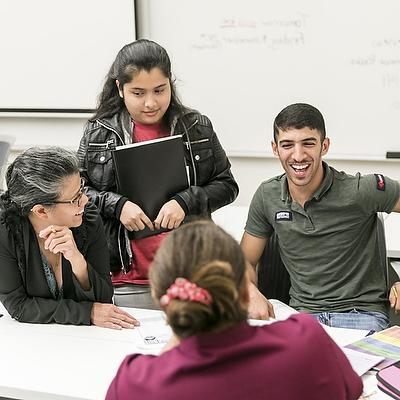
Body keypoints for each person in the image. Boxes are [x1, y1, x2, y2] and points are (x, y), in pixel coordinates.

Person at [106, 221, 362, 400]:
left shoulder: (138, 384)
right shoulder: (307, 341)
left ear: (160, 297)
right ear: (245, 287)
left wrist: (181, 328)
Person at [77, 39, 238, 309]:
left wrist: (185, 202)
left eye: (160, 90)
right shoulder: (99, 132)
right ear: (120, 88)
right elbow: (78, 192)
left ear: (170, 84)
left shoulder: (196, 126)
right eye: (138, 93)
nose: (150, 103)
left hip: (191, 273)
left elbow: (227, 186)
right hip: (126, 278)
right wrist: (118, 206)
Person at [241, 103, 400, 331]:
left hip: (361, 315)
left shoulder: (361, 189)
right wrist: (249, 290)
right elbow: (245, 260)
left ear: (324, 146)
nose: (298, 155)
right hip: (303, 316)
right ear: (275, 149)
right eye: (287, 145)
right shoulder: (267, 195)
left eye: (308, 143)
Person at [0, 147, 138, 329]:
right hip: (31, 339)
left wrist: (76, 260)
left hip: (87, 338)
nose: (85, 200)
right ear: (41, 210)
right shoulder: (6, 230)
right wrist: (86, 312)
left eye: (81, 189)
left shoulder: (87, 217)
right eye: (75, 199)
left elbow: (104, 297)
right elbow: (19, 306)